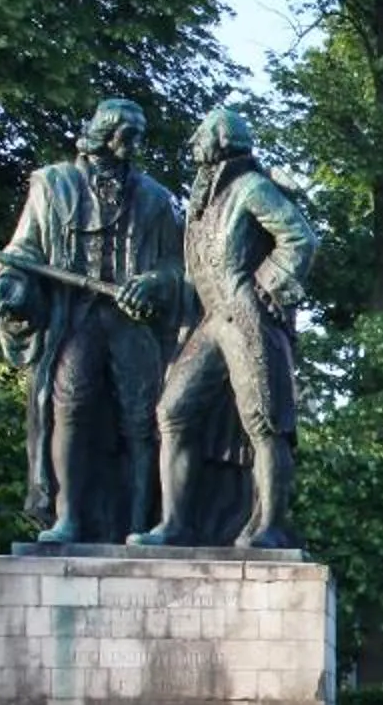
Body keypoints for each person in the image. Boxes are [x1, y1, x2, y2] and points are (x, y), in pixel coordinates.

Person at [0, 99, 184, 543]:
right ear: (102, 135)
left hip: (131, 320)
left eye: (139, 134)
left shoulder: (156, 198)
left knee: (143, 417)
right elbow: (23, 251)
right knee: (69, 406)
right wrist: (12, 289)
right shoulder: (52, 185)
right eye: (126, 133)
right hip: (75, 316)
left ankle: (140, 523)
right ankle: (68, 517)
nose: (134, 143)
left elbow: (178, 267)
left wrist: (154, 282)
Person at [134, 104, 319, 550]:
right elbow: (193, 272)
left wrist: (266, 287)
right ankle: (175, 524)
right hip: (211, 319)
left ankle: (270, 525)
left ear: (219, 142)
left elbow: (301, 238)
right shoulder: (204, 203)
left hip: (245, 315)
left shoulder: (251, 188)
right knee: (172, 411)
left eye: (200, 136)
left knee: (264, 421)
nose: (194, 144)